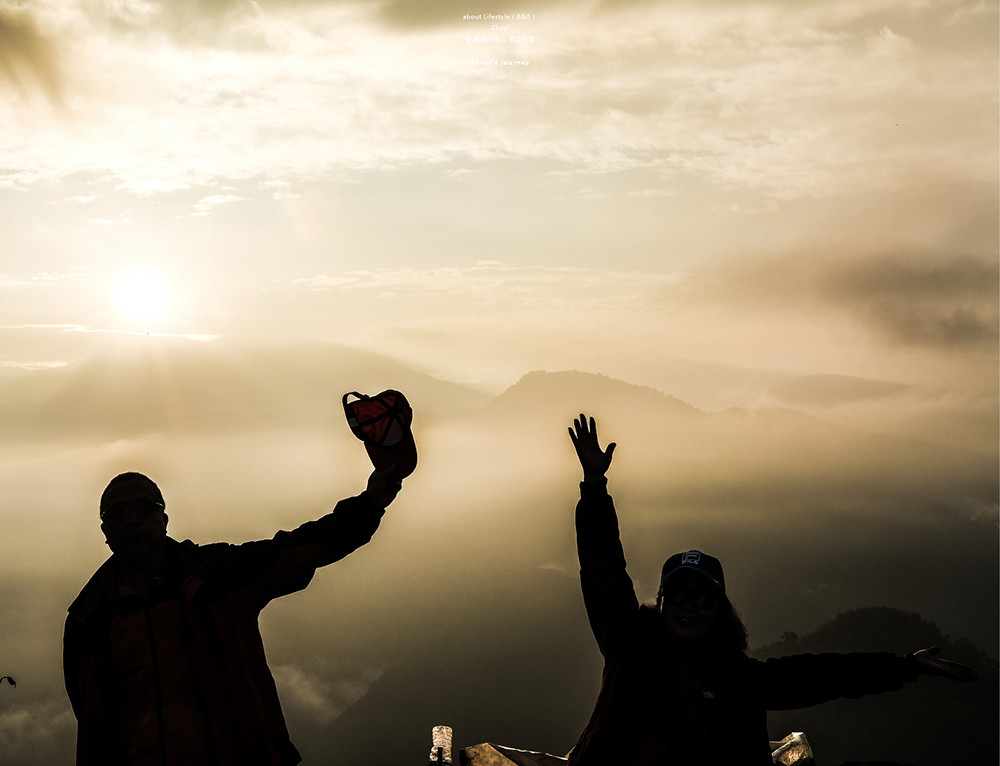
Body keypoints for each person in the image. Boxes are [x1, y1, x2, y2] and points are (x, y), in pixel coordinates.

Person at [566, 413, 976, 766]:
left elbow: (823, 674)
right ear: (659, 602)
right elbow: (603, 566)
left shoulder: (737, 678)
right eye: (675, 593)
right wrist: (595, 484)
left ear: (719, 610)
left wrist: (905, 665)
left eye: (701, 595)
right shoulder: (630, 646)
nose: (686, 603)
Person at [64, 466, 402, 766]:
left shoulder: (219, 577)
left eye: (144, 509)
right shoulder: (87, 623)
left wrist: (370, 504)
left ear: (164, 520)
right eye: (118, 513)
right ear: (105, 530)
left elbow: (300, 549)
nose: (133, 520)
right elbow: (93, 718)